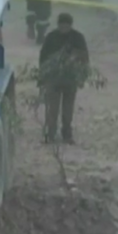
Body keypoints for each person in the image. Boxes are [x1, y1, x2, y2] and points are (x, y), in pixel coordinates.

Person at [38, 13, 89, 144]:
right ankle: (50, 134)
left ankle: (67, 133)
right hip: (53, 79)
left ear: (70, 25)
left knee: (68, 108)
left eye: (66, 25)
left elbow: (84, 57)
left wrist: (82, 75)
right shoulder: (51, 37)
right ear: (58, 24)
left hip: (70, 79)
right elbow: (43, 57)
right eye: (62, 25)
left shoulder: (78, 38)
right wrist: (42, 77)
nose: (64, 28)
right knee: (52, 108)